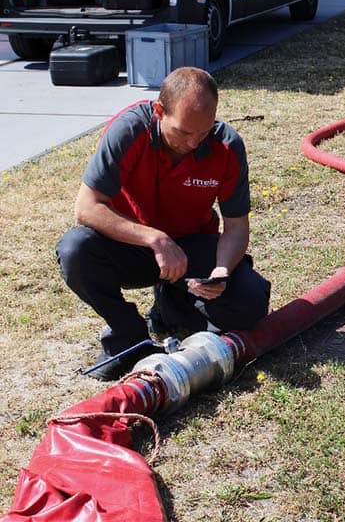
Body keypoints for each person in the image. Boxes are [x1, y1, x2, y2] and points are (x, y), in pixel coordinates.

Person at [56, 67, 271, 381]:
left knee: (251, 301)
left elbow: (236, 226)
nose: (195, 142)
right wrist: (155, 239)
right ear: (159, 111)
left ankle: (171, 306)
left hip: (192, 248)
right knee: (75, 250)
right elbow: (86, 208)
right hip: (134, 246)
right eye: (184, 132)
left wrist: (222, 270)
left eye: (204, 131)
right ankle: (128, 338)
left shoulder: (227, 146)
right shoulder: (129, 130)